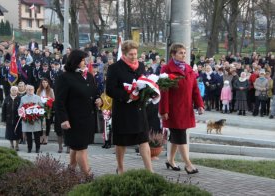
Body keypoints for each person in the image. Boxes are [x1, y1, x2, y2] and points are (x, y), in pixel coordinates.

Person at [106, 40, 153, 174]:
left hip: (139, 110)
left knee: (144, 140)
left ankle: (149, 171)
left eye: (135, 54)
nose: (134, 57)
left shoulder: (141, 66)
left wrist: (149, 93)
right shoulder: (115, 68)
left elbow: (145, 83)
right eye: (131, 54)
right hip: (123, 111)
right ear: (124, 54)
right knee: (121, 142)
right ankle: (120, 168)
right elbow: (110, 90)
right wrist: (127, 96)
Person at [55, 49, 102, 176]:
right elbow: (59, 101)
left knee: (76, 147)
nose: (85, 62)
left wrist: (99, 100)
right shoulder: (64, 78)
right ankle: (88, 177)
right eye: (82, 60)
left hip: (88, 118)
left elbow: (95, 93)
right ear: (75, 61)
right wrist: (63, 119)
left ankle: (70, 171)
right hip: (73, 120)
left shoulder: (89, 76)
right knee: (81, 148)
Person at [159, 43, 204, 174]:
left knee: (176, 135)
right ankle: (188, 164)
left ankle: (170, 160)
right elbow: (164, 91)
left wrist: (199, 104)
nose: (183, 55)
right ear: (173, 54)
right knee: (180, 136)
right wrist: (164, 110)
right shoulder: (166, 69)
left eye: (184, 53)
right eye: (180, 53)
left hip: (186, 108)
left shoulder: (189, 69)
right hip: (173, 110)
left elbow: (195, 89)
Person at [19, 85, 43, 153]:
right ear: (26, 90)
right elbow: (20, 108)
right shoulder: (23, 98)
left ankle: (37, 148)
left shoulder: (38, 97)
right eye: (29, 89)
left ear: (34, 89)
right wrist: (23, 112)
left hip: (36, 120)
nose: (30, 91)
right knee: (28, 135)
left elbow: (42, 107)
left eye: (32, 89)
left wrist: (38, 112)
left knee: (37, 135)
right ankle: (29, 148)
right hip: (27, 120)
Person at [1, 86, 21, 151]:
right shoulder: (6, 98)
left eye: (15, 90)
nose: (14, 91)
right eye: (13, 90)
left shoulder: (20, 98)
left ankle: (17, 145)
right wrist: (3, 120)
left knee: (17, 133)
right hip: (9, 119)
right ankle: (11, 145)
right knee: (9, 133)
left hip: (17, 119)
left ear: (17, 91)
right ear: (10, 91)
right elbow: (3, 110)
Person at [36, 78, 55, 144]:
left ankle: (46, 137)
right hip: (40, 107)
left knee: (48, 123)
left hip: (48, 108)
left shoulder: (51, 90)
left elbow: (53, 99)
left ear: (48, 83)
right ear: (41, 83)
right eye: (43, 82)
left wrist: (48, 99)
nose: (44, 84)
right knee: (40, 123)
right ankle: (41, 137)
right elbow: (36, 99)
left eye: (46, 82)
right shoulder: (38, 90)